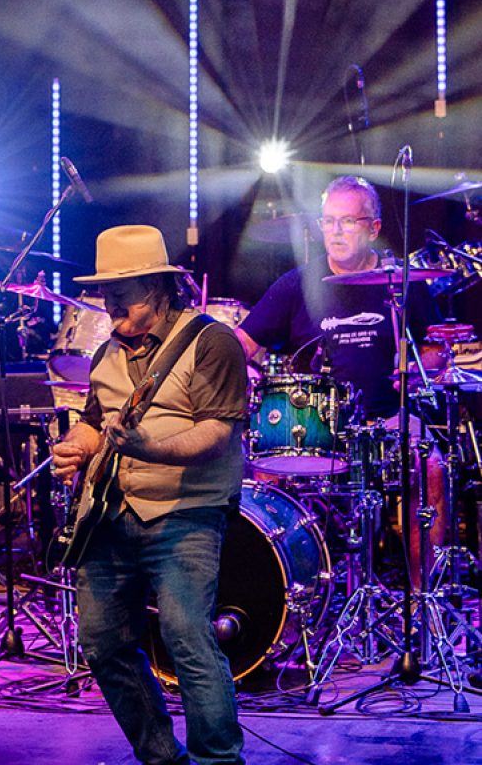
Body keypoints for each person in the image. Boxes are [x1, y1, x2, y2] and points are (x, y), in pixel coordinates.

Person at [52, 225, 248, 765]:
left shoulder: (212, 342)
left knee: (187, 634)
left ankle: (218, 761)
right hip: (112, 515)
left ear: (159, 289)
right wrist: (75, 447)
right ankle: (163, 758)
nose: (109, 302)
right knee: (101, 641)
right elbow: (94, 426)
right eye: (105, 292)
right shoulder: (103, 357)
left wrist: (148, 447)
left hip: (186, 512)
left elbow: (217, 433)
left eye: (124, 290)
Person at [236, 175, 444, 582]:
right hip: (318, 427)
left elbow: (436, 349)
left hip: (388, 419)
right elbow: (240, 343)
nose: (334, 231)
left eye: (348, 222)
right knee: (265, 474)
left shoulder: (404, 284)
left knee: (432, 467)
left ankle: (423, 598)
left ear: (373, 228)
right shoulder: (296, 284)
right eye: (328, 221)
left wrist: (421, 371)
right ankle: (292, 601)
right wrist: (241, 375)